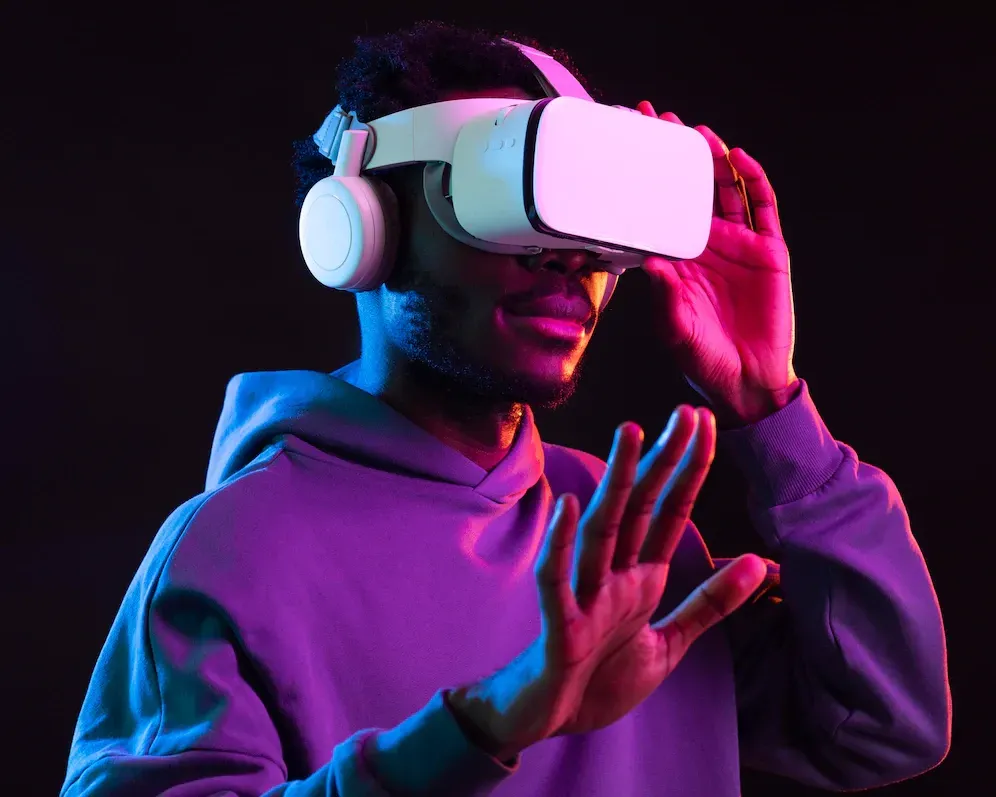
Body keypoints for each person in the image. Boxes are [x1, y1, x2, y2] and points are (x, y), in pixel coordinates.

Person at [60, 20, 951, 797]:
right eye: (504, 198)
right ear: (364, 221)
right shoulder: (231, 550)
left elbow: (886, 724)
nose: (567, 259)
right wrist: (481, 729)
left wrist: (771, 404)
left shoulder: (630, 536)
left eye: (589, 218)